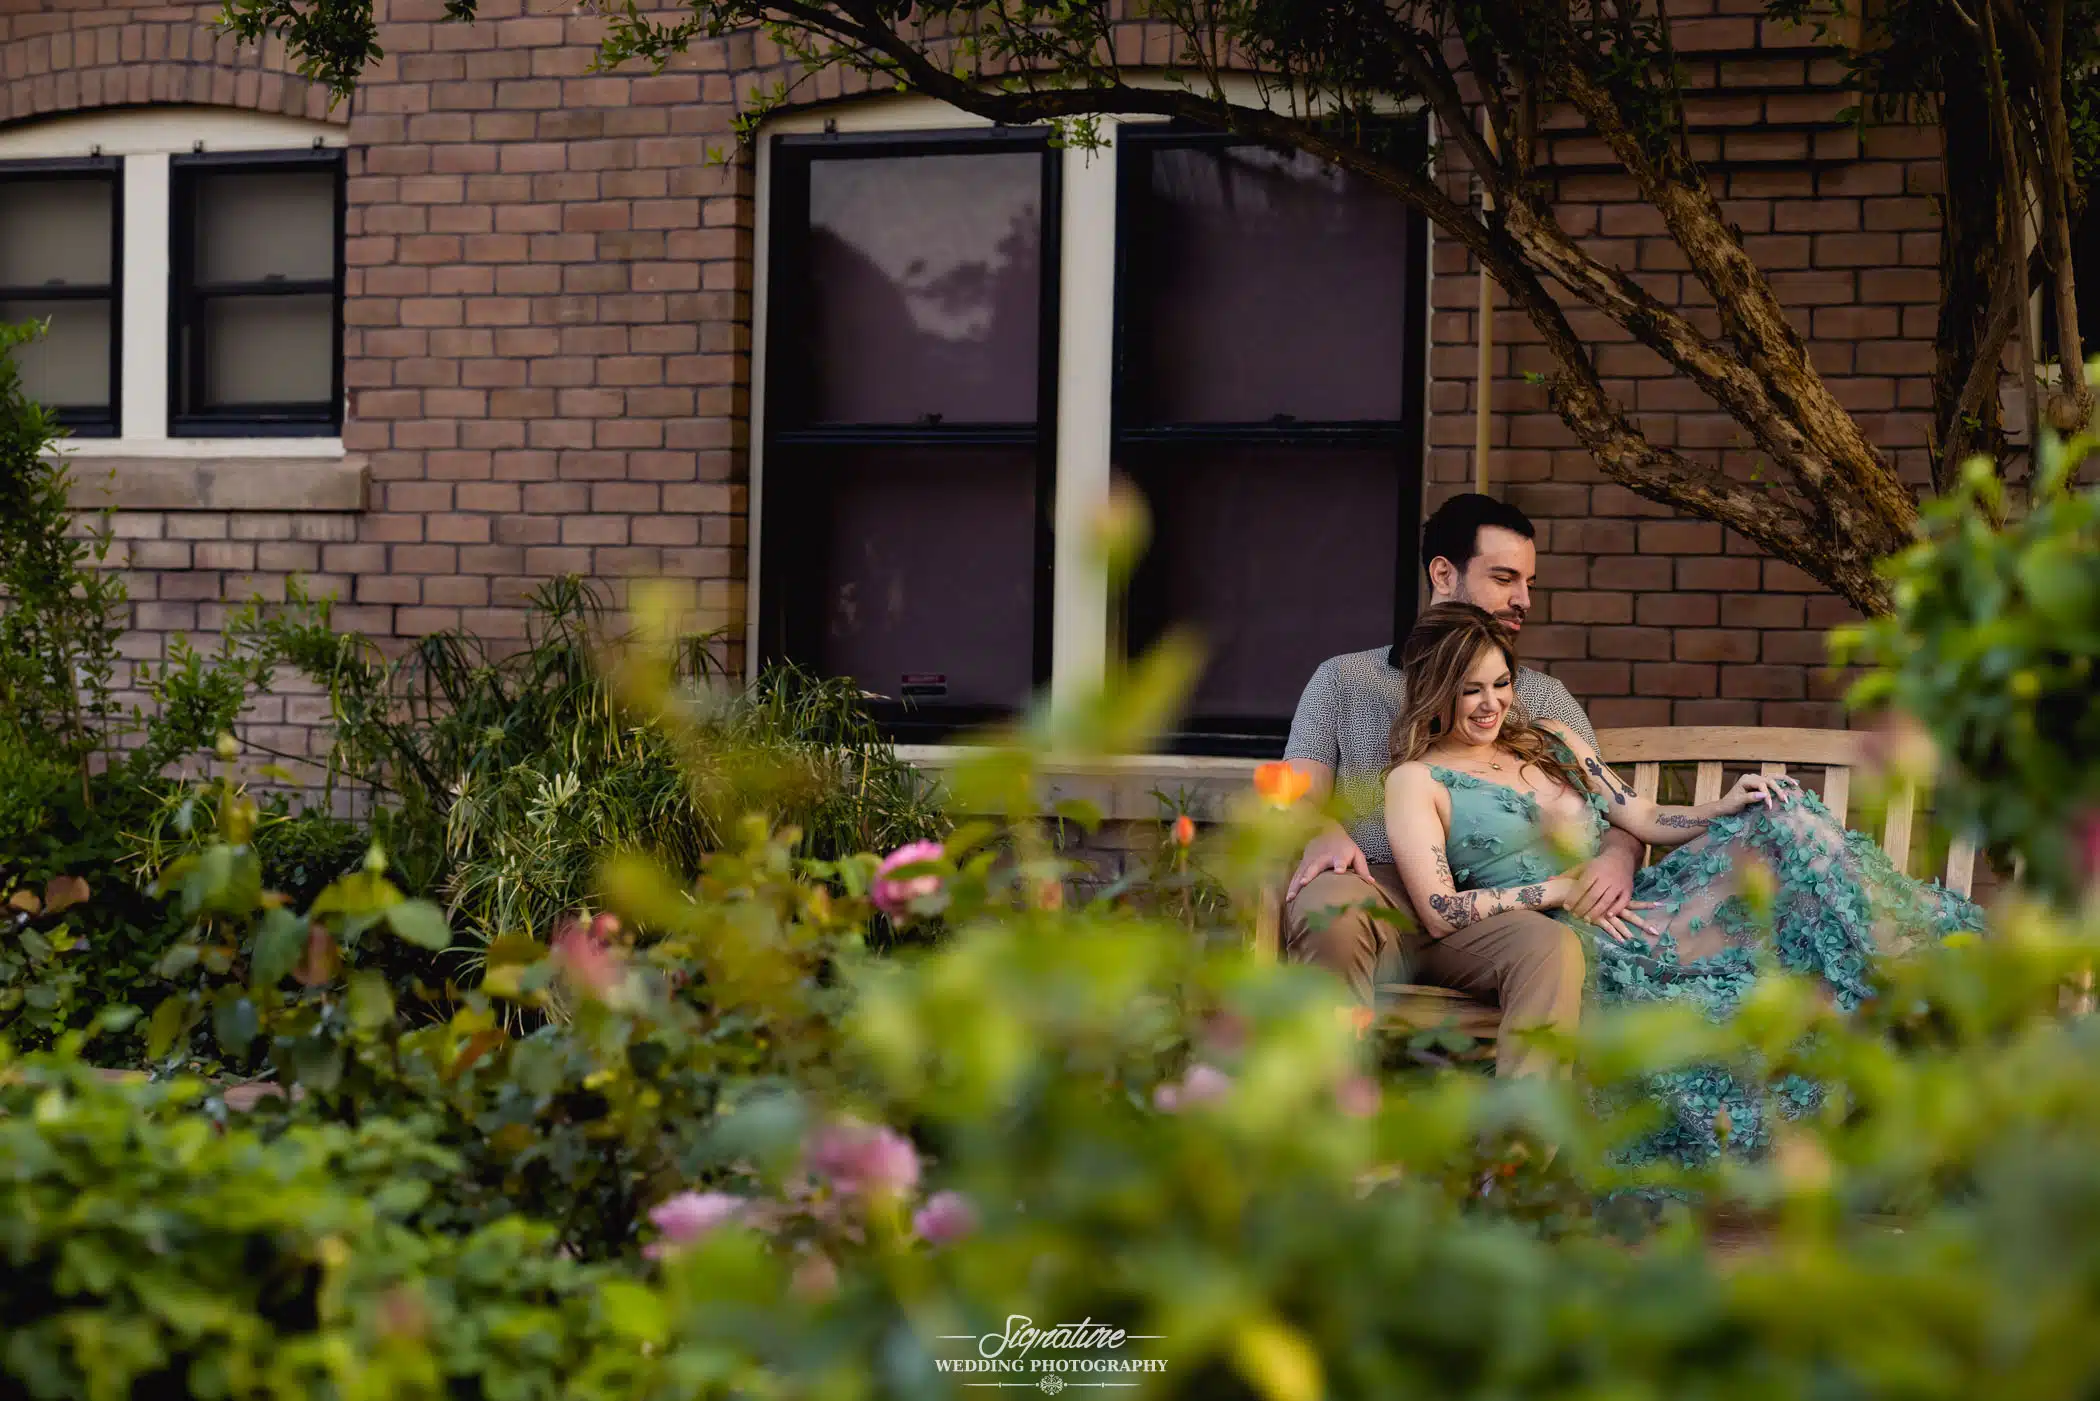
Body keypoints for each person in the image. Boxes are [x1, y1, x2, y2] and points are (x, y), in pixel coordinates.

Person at [1383, 603, 1983, 1162]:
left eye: (1500, 684)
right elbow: (1440, 909)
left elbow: (1638, 815)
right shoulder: (1417, 780)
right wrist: (1560, 890)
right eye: (1470, 690)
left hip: (1642, 899)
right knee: (1793, 960)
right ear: (1436, 690)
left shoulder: (1548, 740)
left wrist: (1720, 808)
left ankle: (1912, 953)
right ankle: (1921, 977)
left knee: (1782, 814)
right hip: (1585, 935)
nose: (1491, 704)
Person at [1280, 493, 1646, 1078]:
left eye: (1528, 582)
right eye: (1504, 578)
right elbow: (1296, 786)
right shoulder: (1345, 679)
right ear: (1443, 573)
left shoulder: (1544, 698)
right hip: (1377, 889)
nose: (1522, 599)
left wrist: (1617, 860)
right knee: (1329, 910)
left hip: (1491, 906)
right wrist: (1320, 827)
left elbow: (1612, 813)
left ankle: (1516, 1159)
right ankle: (1331, 1131)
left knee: (1552, 950)